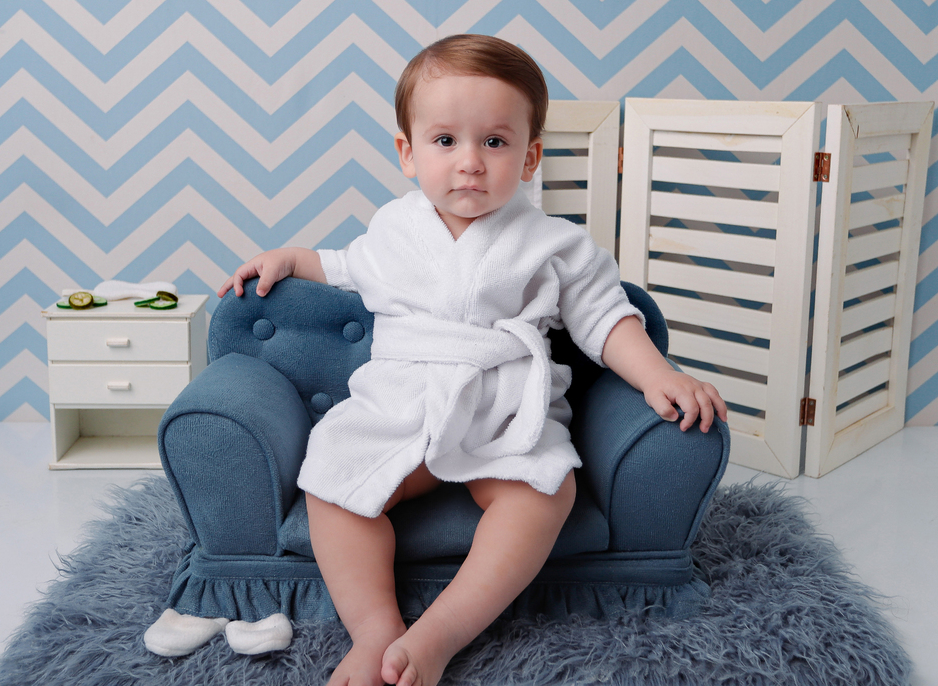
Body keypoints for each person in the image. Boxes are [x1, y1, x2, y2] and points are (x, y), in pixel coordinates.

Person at [218, 34, 727, 686]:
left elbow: (606, 317)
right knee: (331, 483)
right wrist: (290, 257)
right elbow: (342, 265)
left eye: (494, 141)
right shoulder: (394, 229)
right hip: (400, 404)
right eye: (445, 140)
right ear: (407, 152)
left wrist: (659, 374)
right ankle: (375, 630)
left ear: (530, 155)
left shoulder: (556, 243)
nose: (470, 163)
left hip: (502, 408)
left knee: (545, 494)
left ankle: (440, 633)